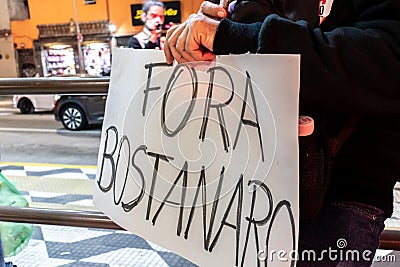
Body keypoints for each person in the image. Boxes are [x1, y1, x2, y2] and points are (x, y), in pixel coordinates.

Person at [163, 0, 400, 266]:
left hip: (336, 195)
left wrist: (233, 34)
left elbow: (388, 58)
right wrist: (217, 25)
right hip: (240, 181)